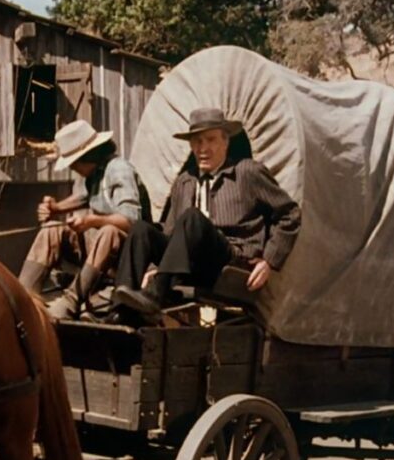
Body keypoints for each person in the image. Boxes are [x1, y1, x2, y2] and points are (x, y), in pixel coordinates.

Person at [112, 107, 301, 320]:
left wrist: (269, 261)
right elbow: (170, 232)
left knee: (193, 218)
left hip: (229, 261)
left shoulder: (247, 172)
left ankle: (156, 294)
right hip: (188, 266)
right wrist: (157, 267)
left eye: (210, 140)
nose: (203, 148)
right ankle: (120, 310)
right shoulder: (184, 181)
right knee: (141, 230)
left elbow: (290, 214)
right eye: (197, 142)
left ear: (225, 141)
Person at [18, 119, 150, 320]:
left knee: (109, 231)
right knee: (52, 229)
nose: (73, 169)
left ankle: (71, 301)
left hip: (127, 257)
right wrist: (55, 209)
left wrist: (92, 221)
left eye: (73, 164)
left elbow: (132, 220)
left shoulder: (119, 169)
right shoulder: (92, 175)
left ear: (86, 156)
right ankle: (23, 297)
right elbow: (82, 197)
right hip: (98, 250)